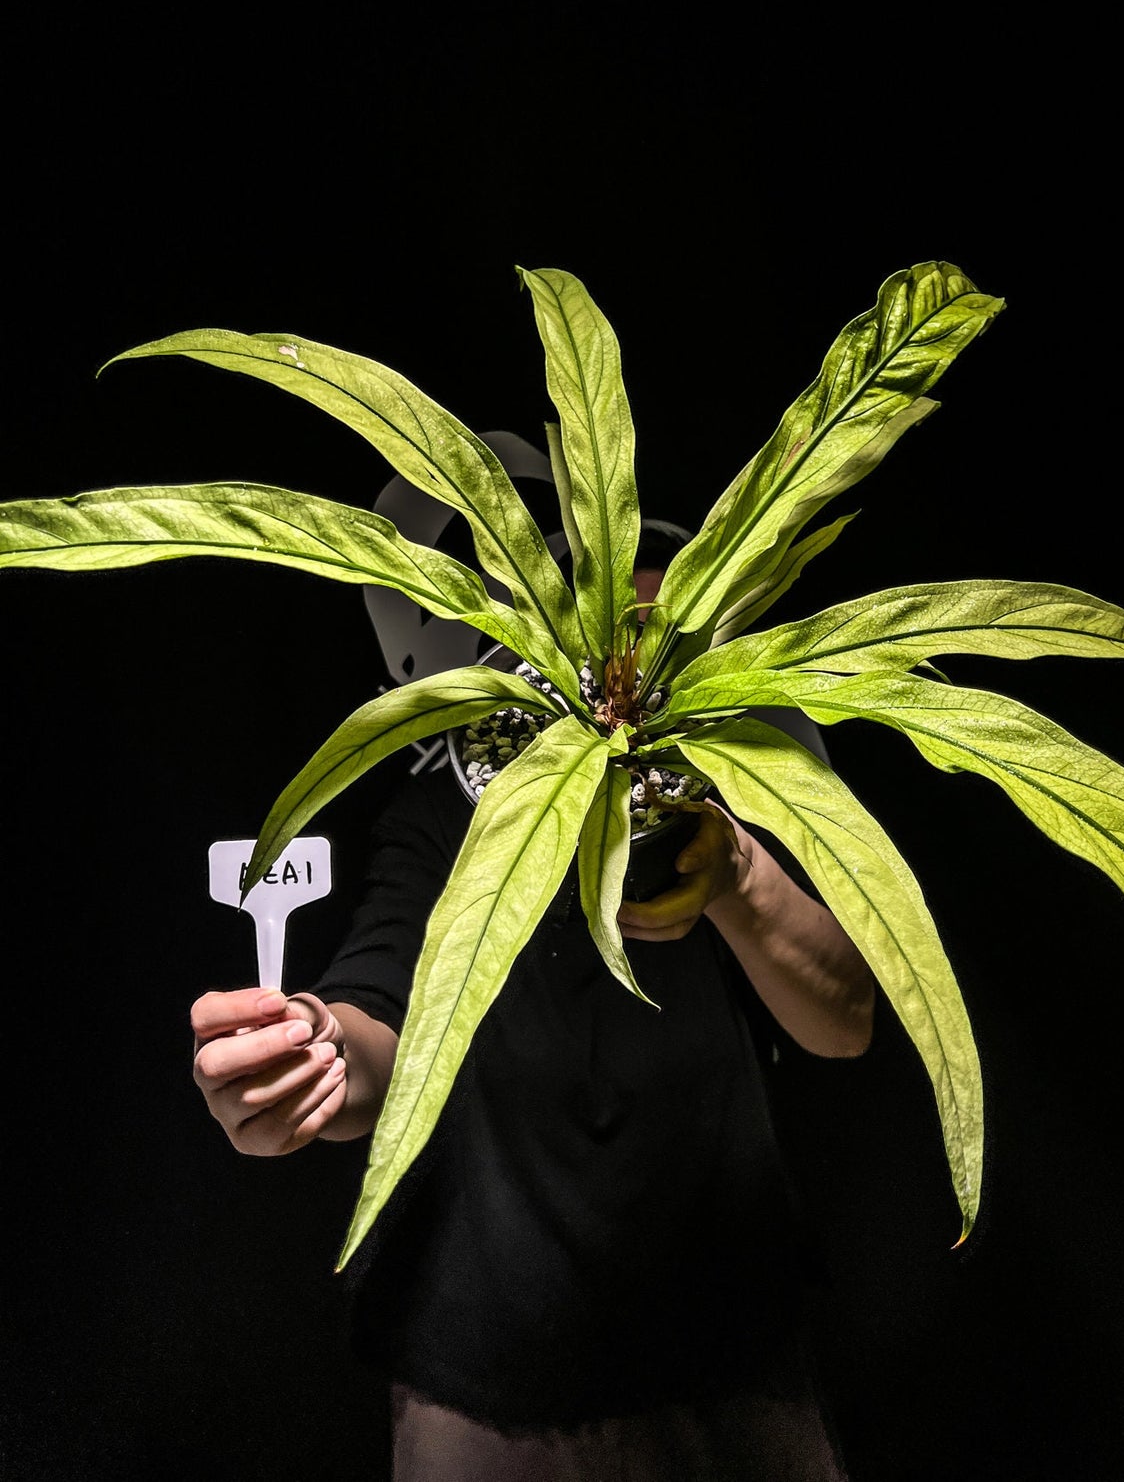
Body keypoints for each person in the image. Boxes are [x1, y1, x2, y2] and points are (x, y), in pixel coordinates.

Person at [191, 549, 877, 1481]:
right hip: (481, 1381)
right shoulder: (444, 814)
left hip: (732, 1365)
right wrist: (312, 1053)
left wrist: (737, 877)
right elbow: (378, 1006)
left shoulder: (723, 813)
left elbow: (846, 1020)